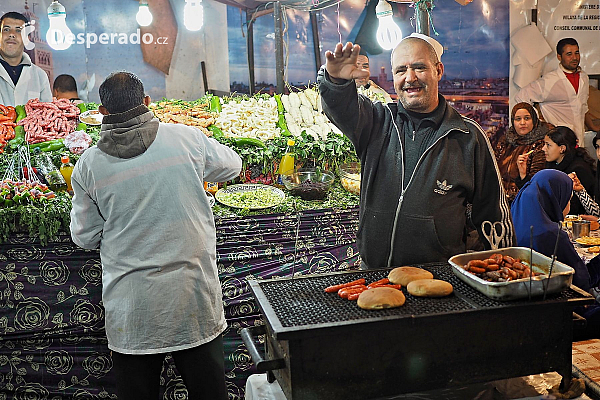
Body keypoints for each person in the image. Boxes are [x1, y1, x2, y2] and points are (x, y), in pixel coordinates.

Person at [69, 71, 241, 400]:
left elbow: (85, 236)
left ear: (102, 113)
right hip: (193, 300)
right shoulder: (187, 139)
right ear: (147, 102)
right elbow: (232, 166)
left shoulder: (88, 166)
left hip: (133, 312)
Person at [318, 34, 514, 269]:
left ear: (438, 70)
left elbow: (493, 213)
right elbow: (341, 108)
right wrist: (336, 82)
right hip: (375, 275)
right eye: (401, 70)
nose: (410, 78)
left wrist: (502, 271)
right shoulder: (376, 121)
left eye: (419, 67)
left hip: (440, 280)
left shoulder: (467, 136)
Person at [511, 169, 596, 293]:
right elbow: (579, 280)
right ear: (556, 199)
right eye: (568, 199)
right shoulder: (552, 235)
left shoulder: (513, 220)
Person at [515, 38, 590, 148]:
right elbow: (521, 96)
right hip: (558, 141)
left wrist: (594, 127)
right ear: (559, 57)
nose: (574, 58)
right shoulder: (550, 81)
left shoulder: (584, 77)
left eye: (577, 53)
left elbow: (583, 107)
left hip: (579, 139)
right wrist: (540, 123)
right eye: (569, 54)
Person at [494, 102, 551, 202]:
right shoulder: (505, 141)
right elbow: (493, 168)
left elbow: (536, 183)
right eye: (518, 119)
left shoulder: (541, 145)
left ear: (534, 120)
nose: (522, 123)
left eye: (527, 118)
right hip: (499, 200)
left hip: (525, 200)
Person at [0, 12, 51, 106]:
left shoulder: (40, 75)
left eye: (18, 30)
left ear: (27, 38)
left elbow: (47, 113)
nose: (12, 34)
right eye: (6, 29)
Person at [542, 126, 596, 215]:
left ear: (562, 148)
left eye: (548, 145)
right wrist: (523, 175)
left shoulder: (578, 169)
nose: (543, 148)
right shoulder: (552, 164)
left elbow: (573, 209)